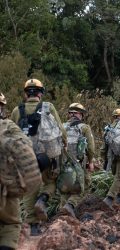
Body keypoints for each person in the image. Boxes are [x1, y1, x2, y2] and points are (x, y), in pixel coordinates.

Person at [10, 79, 67, 236]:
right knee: (50, 182)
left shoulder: (17, 110)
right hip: (46, 157)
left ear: (26, 93)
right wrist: (64, 145)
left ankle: (34, 227)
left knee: (29, 190)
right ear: (41, 93)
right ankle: (43, 198)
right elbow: (61, 130)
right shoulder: (49, 107)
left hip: (25, 158)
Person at [0, 92, 41, 250]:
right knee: (10, 224)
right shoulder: (7, 126)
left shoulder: (19, 111)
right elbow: (25, 147)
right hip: (5, 191)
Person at [59, 103, 95, 218]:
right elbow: (91, 148)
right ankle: (70, 206)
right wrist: (90, 161)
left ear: (70, 114)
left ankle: (62, 216)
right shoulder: (84, 127)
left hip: (62, 163)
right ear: (80, 114)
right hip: (78, 163)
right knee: (85, 185)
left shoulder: (61, 126)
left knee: (64, 188)